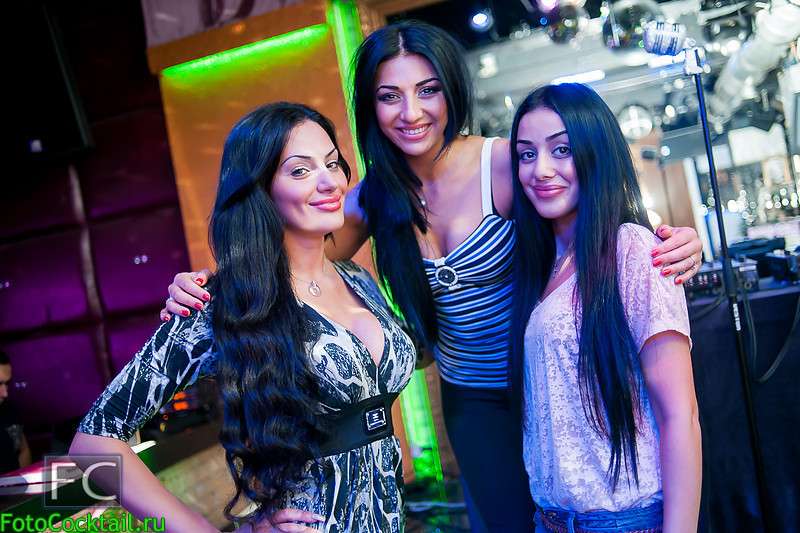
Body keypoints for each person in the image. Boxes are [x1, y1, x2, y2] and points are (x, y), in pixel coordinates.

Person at [160, 22, 704, 531]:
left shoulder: (507, 165)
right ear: (371, 107)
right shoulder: (376, 197)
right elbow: (288, 262)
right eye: (389, 96)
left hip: (550, 383)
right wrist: (209, 285)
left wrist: (675, 242)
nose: (411, 112)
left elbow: (593, 225)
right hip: (472, 402)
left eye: (428, 90)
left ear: (451, 93)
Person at [70, 103, 417, 533]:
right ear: (259, 189)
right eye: (300, 170)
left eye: (332, 163)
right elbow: (93, 441)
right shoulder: (225, 304)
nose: (330, 181)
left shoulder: (358, 279)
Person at [510, 83, 701, 533]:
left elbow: (680, 417)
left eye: (562, 150)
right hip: (552, 520)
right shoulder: (541, 263)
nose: (541, 169)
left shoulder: (632, 249)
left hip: (624, 522)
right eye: (526, 154)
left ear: (596, 152)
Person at [0, 350, 32, 474]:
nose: (5, 393)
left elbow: (23, 450)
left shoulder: (8, 410)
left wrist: (21, 480)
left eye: (7, 384)